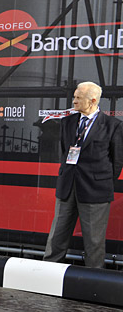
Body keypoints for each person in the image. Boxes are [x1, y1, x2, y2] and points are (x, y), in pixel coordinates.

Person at [44, 81, 123, 268]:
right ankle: (48, 272)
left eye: (78, 98)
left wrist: (102, 182)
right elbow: (65, 152)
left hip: (96, 190)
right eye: (74, 97)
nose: (74, 101)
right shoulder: (67, 122)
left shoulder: (113, 125)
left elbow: (117, 161)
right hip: (67, 187)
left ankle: (94, 282)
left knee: (94, 241)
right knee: (57, 236)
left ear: (93, 100)